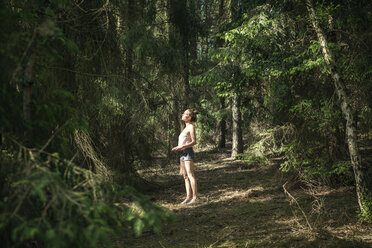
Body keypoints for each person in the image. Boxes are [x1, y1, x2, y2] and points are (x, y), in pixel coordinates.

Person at [172, 109, 198, 204]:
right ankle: (188, 197)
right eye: (183, 113)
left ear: (189, 117)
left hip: (187, 152)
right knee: (185, 176)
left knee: (190, 175)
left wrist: (182, 146)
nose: (182, 114)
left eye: (185, 114)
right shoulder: (185, 128)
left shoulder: (191, 127)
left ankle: (195, 197)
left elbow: (194, 142)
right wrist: (179, 148)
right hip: (182, 153)